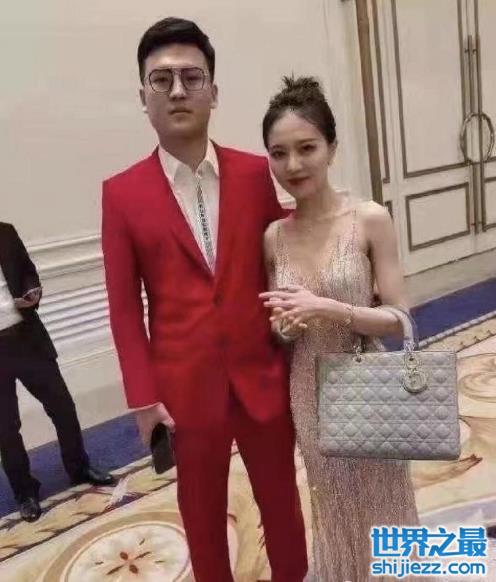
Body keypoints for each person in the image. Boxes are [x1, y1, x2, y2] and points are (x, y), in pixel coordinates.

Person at [101, 17, 307, 582]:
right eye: (161, 79)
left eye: (191, 78)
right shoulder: (121, 194)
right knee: (201, 514)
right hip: (184, 391)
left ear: (213, 92)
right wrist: (143, 397)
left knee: (282, 502)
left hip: (261, 374)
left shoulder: (254, 173)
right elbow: (124, 308)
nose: (177, 91)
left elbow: (284, 254)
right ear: (143, 96)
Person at [260, 77, 420, 581]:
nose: (293, 165)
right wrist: (286, 329)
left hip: (367, 379)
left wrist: (329, 308)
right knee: (333, 506)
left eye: (306, 148)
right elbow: (281, 329)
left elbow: (399, 319)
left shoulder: (369, 219)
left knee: (384, 496)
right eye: (279, 153)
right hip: (309, 390)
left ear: (331, 147)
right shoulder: (274, 237)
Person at [0, 222, 115, 522]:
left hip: (27, 337)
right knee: (5, 428)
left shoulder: (5, 232)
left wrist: (32, 291)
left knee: (62, 406)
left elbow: (28, 271)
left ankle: (79, 467)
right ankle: (25, 492)